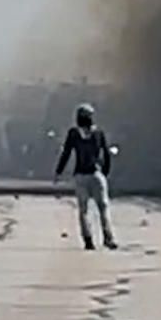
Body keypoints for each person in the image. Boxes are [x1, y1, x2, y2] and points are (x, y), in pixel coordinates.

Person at [55, 103, 117, 250]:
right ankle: (108, 238)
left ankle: (88, 240)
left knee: (83, 210)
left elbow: (66, 153)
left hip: (80, 176)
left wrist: (59, 171)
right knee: (103, 207)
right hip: (96, 174)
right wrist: (105, 172)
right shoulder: (99, 133)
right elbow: (107, 155)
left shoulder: (74, 134)